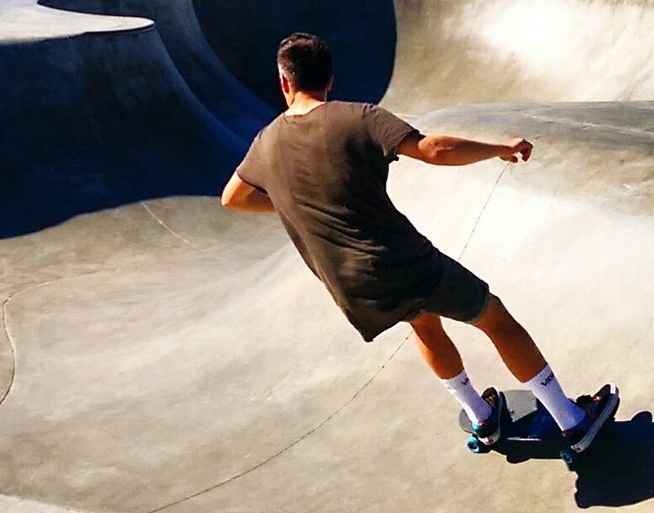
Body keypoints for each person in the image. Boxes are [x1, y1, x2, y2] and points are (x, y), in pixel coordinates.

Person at [220, 32, 617, 454]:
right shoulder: (359, 117)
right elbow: (434, 149)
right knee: (494, 317)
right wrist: (499, 148)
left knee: (423, 322)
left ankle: (483, 419)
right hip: (401, 260)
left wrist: (292, 201)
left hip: (351, 285)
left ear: (284, 82)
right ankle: (572, 422)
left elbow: (234, 198)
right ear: (330, 80)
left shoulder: (265, 142)